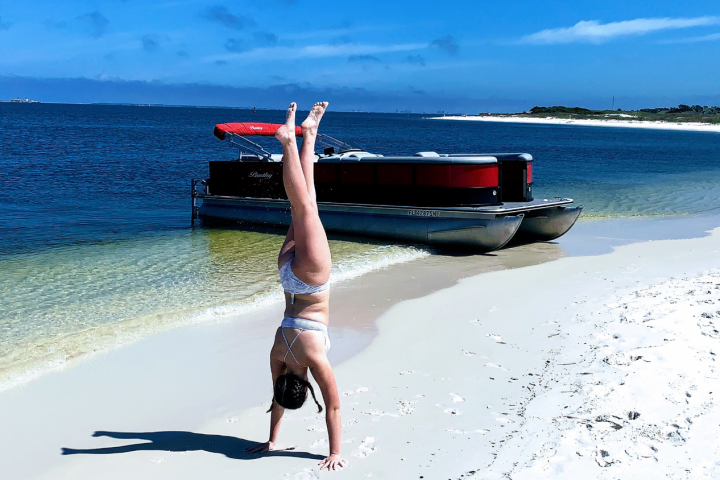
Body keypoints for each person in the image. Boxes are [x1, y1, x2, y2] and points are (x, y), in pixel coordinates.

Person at [245, 102, 346, 471]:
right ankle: (309, 134)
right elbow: (275, 401)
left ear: (305, 384)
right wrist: (272, 439)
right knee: (305, 205)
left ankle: (289, 140)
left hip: (311, 281)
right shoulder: (277, 357)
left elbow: (333, 406)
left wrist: (335, 452)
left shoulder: (311, 359)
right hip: (286, 277)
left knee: (305, 207)